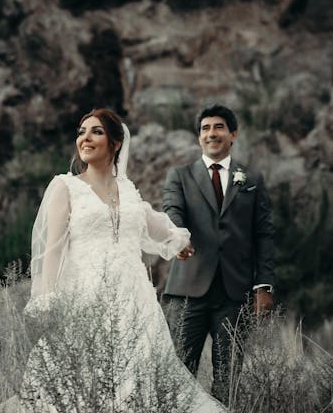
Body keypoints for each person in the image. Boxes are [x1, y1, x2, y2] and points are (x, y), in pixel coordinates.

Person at [17, 108, 226, 413]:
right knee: (82, 384)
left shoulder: (127, 190)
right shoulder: (66, 187)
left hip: (136, 303)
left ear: (115, 143)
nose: (85, 138)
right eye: (81, 132)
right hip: (85, 302)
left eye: (96, 132)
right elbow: (53, 251)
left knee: (143, 381)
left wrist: (179, 240)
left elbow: (152, 222)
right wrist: (48, 301)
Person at [163, 104, 275, 403]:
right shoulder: (180, 176)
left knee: (228, 378)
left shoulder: (251, 179)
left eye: (218, 127)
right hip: (188, 290)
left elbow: (263, 233)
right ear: (199, 137)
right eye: (205, 129)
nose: (211, 133)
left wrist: (263, 285)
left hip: (234, 293)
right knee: (178, 372)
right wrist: (179, 236)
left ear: (233, 134)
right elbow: (172, 210)